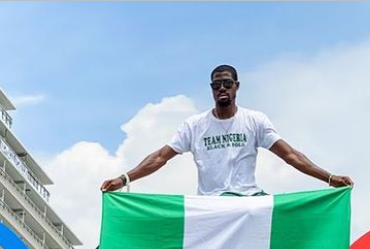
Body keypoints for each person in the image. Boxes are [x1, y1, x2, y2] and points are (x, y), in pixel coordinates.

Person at [101, 65, 353, 197]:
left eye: (227, 83)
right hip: (210, 202)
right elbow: (160, 157)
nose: (222, 88)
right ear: (211, 89)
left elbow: (291, 156)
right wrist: (124, 179)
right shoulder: (195, 125)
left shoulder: (254, 120)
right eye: (216, 84)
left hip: (247, 199)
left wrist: (329, 178)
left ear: (237, 87)